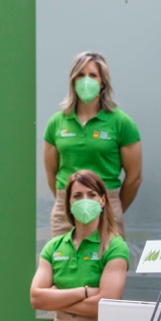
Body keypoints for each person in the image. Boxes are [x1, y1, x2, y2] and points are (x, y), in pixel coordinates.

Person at [7, 170, 128, 321]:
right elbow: (37, 298)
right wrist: (83, 292)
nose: (85, 200)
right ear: (69, 203)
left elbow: (106, 303)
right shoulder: (54, 246)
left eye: (92, 194)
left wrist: (59, 297)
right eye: (78, 195)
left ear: (103, 200)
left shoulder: (114, 245)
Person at [44, 51, 142, 237]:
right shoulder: (56, 122)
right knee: (64, 263)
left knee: (109, 261)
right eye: (80, 75)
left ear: (103, 81)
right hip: (66, 209)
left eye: (92, 75)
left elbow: (134, 177)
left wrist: (112, 204)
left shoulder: (122, 123)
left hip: (107, 205)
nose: (86, 80)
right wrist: (68, 199)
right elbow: (51, 173)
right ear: (72, 80)